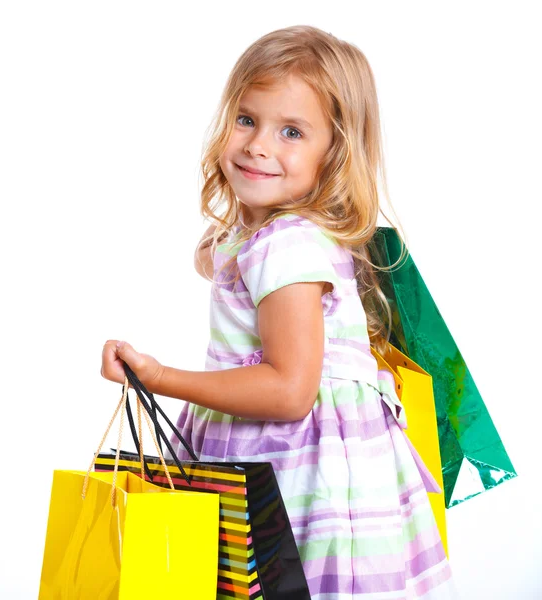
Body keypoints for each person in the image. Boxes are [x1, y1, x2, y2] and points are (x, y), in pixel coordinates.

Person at [101, 25, 456, 599]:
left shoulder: (286, 244)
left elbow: (291, 390)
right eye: (246, 119)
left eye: (291, 131)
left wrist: (161, 377)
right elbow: (218, 263)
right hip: (301, 456)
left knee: (281, 584)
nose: (258, 145)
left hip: (296, 466)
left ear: (334, 153)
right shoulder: (279, 238)